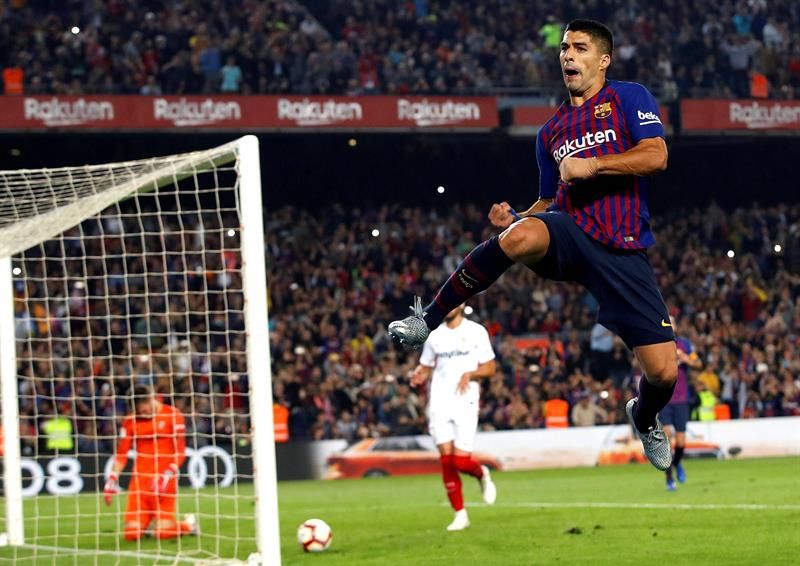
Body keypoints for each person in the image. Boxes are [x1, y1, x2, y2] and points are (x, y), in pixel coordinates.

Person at [389, 19, 678, 471]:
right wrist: (518, 219)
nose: (567, 55)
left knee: (663, 373)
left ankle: (644, 416)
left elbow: (656, 155)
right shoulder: (551, 132)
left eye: (579, 48)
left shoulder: (628, 97)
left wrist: (594, 166)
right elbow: (548, 200)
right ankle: (426, 318)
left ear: (602, 60)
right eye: (564, 48)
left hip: (622, 249)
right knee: (518, 236)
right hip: (569, 230)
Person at [410, 305, 498, 531]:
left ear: (462, 304)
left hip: (465, 401)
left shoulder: (476, 331)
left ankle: (482, 473)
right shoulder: (434, 336)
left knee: (461, 461)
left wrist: (470, 373)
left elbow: (490, 368)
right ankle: (460, 514)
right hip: (439, 402)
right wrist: (419, 374)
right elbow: (426, 366)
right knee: (446, 461)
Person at [104, 385, 197, 541]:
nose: (142, 414)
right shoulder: (130, 421)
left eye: (143, 410)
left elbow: (180, 451)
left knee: (163, 534)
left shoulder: (173, 415)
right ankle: (146, 524)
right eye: (138, 412)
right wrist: (112, 477)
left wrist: (168, 473)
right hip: (140, 485)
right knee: (131, 535)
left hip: (164, 483)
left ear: (150, 399)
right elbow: (122, 454)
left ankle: (188, 525)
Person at [659, 316, 702, 490]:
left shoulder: (684, 344)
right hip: (664, 398)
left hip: (681, 398)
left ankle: (677, 464)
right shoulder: (658, 346)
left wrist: (685, 359)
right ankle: (669, 478)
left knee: (682, 441)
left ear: (676, 326)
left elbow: (698, 364)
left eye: (672, 322)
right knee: (667, 437)